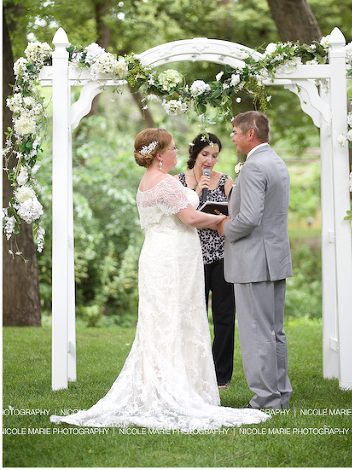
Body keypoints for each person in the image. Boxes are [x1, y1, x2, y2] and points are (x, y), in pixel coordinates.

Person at [50, 128, 269, 431]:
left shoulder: (149, 181)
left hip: (161, 256)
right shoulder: (165, 183)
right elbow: (190, 218)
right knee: (174, 319)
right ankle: (173, 389)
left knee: (164, 320)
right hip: (172, 260)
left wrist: (206, 205)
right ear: (160, 155)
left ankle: (163, 385)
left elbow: (182, 211)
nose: (177, 152)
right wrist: (222, 220)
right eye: (173, 148)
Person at [217, 111, 293, 410]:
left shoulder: (252, 167)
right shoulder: (276, 162)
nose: (233, 137)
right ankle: (280, 393)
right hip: (274, 258)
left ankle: (265, 399)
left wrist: (225, 227)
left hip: (253, 261)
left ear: (250, 134)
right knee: (274, 330)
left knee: (255, 332)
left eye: (236, 132)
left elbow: (249, 218)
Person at [177, 133, 235, 389]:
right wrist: (197, 192)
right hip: (191, 257)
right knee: (192, 314)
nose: (210, 160)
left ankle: (221, 375)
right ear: (194, 154)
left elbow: (236, 216)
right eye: (205, 154)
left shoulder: (225, 181)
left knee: (224, 316)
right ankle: (192, 370)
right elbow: (179, 218)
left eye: (215, 155)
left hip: (222, 255)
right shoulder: (178, 182)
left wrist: (221, 218)